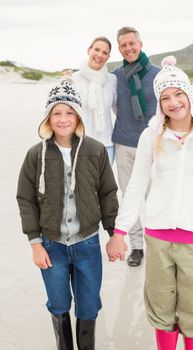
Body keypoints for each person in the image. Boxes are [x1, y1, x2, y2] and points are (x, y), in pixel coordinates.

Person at [107, 56, 193, 350]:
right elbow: (135, 187)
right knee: (160, 306)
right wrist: (120, 233)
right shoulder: (151, 135)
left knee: (192, 308)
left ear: (188, 94)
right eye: (165, 97)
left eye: (178, 94)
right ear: (159, 103)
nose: (173, 102)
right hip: (158, 235)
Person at [16, 80, 118, 350]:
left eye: (69, 112)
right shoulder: (35, 154)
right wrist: (35, 244)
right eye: (57, 113)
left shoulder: (95, 151)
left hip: (87, 243)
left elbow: (108, 193)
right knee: (59, 303)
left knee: (88, 306)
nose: (63, 119)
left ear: (79, 116)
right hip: (51, 246)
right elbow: (26, 199)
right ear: (48, 117)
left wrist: (114, 234)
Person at [112, 26, 160, 266]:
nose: (128, 48)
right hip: (124, 145)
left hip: (153, 148)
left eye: (132, 43)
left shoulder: (158, 74)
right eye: (123, 45)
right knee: (130, 197)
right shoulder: (116, 76)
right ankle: (137, 246)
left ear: (140, 44)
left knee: (154, 198)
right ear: (119, 48)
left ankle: (156, 244)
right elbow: (111, 105)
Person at [70, 36, 117, 165]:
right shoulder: (73, 79)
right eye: (96, 49)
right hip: (79, 144)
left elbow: (120, 111)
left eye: (105, 52)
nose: (100, 55)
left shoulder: (112, 80)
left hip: (106, 146)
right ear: (89, 50)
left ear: (108, 57)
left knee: (104, 185)